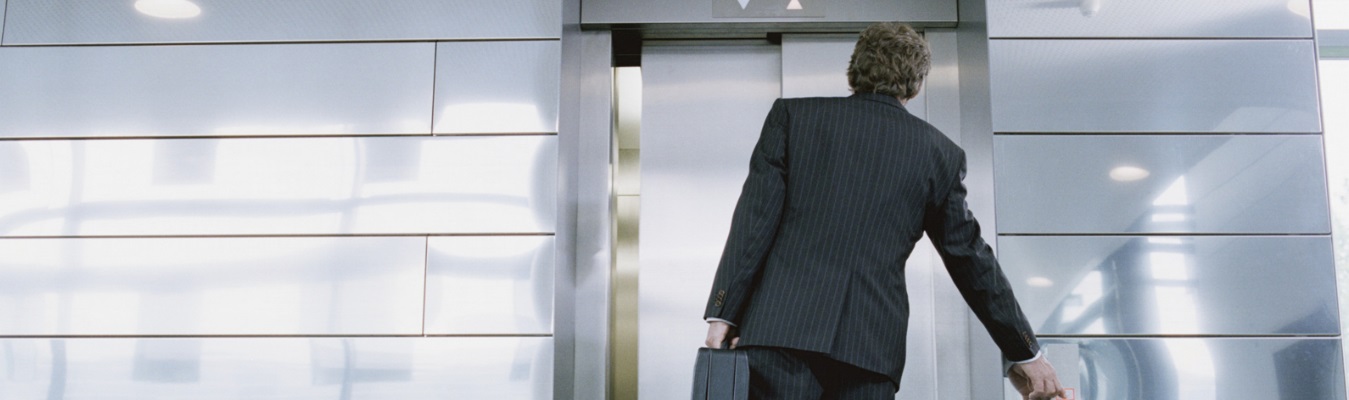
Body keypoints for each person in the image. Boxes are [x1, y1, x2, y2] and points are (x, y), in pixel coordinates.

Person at [701, 22, 1065, 400]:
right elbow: (971, 259)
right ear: (916, 85)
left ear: (854, 70)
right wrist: (1026, 352)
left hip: (781, 332)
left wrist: (723, 313)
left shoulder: (793, 118)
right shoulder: (939, 154)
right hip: (870, 349)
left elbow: (754, 222)